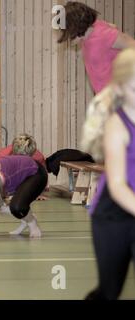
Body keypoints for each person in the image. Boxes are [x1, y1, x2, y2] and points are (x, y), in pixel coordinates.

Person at [81, 48, 135, 300]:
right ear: (121, 89)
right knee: (109, 291)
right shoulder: (117, 124)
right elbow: (117, 184)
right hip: (113, 214)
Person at [57, 1, 135, 94]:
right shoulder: (87, 35)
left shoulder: (103, 35)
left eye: (66, 31)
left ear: (75, 27)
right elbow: (112, 26)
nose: (66, 36)